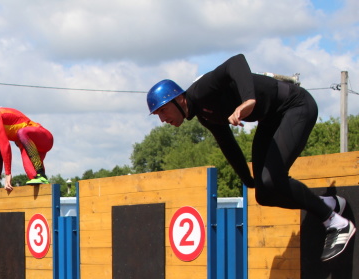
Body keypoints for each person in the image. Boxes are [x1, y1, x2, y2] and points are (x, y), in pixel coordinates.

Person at [147, 54, 355, 262]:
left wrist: (249, 99)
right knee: (264, 195)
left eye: (164, 110)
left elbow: (236, 61)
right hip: (271, 119)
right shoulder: (205, 116)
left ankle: (336, 223)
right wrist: (247, 179)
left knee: (272, 179)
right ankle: (328, 204)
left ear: (179, 98)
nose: (163, 119)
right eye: (158, 115)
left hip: (296, 106)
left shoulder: (202, 90)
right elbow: (228, 145)